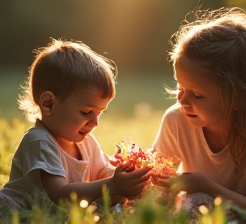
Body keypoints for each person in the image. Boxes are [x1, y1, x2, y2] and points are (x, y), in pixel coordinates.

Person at [152, 7, 246, 211]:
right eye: (180, 87)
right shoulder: (175, 120)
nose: (182, 100)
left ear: (238, 97)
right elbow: (158, 182)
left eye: (197, 95)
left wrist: (207, 187)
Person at [0, 39, 150, 215]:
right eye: (86, 112)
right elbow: (60, 195)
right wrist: (112, 185)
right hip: (17, 213)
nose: (95, 123)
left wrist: (128, 177)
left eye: (100, 112)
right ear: (49, 104)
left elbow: (103, 172)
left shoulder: (87, 143)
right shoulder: (40, 142)